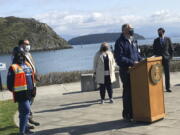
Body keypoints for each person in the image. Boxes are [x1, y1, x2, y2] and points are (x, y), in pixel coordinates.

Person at [114, 24, 142, 120]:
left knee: (136, 92)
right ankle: (127, 114)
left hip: (137, 70)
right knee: (128, 92)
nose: (132, 30)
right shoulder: (119, 42)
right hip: (126, 71)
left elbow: (137, 54)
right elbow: (119, 58)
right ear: (124, 30)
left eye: (132, 29)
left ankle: (137, 112)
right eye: (130, 29)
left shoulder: (134, 40)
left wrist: (142, 61)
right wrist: (132, 63)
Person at [7, 48, 36, 135]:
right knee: (26, 111)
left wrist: (34, 88)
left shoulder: (27, 64)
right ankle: (22, 132)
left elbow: (32, 77)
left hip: (30, 91)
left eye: (22, 54)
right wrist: (17, 92)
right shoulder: (13, 67)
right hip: (21, 93)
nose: (21, 56)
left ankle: (25, 128)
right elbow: (9, 84)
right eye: (19, 54)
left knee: (23, 111)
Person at [13, 40, 40, 128]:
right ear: (21, 45)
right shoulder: (18, 54)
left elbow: (33, 65)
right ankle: (25, 125)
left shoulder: (28, 54)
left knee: (31, 101)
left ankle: (29, 117)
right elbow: (17, 68)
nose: (28, 45)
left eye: (29, 44)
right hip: (24, 84)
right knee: (24, 105)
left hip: (32, 82)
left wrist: (36, 74)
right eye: (26, 44)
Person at [153, 28, 174, 92]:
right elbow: (154, 50)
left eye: (160, 32)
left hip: (166, 59)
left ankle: (168, 88)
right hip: (158, 60)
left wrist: (170, 58)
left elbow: (171, 49)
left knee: (167, 74)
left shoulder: (168, 39)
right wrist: (155, 57)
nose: (159, 33)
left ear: (163, 32)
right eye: (158, 32)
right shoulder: (156, 40)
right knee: (158, 74)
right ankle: (159, 87)